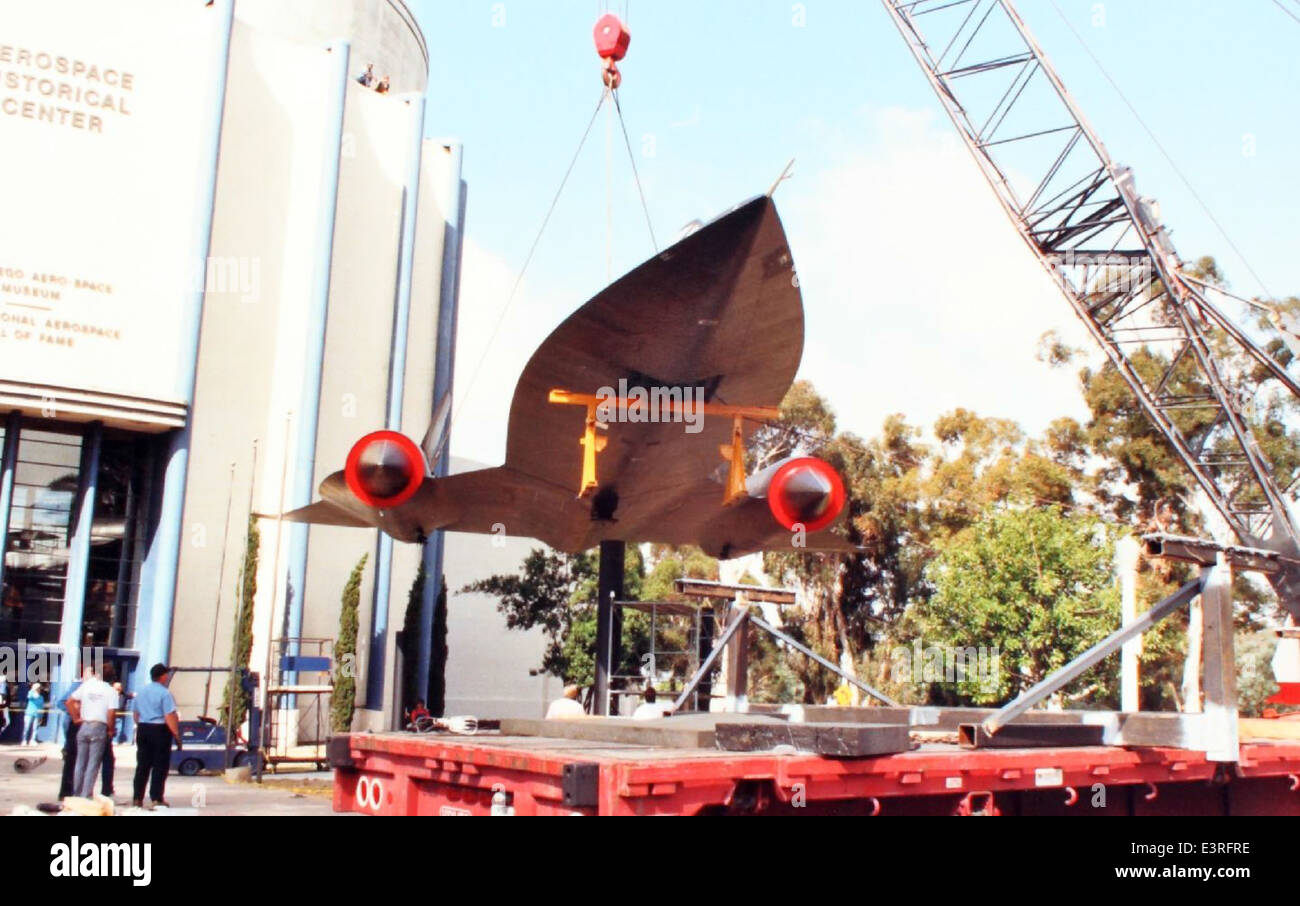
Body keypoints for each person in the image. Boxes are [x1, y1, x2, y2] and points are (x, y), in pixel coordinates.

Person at [132, 663, 182, 809]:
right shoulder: (165, 693)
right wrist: (176, 735)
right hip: (159, 730)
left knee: (142, 765)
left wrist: (142, 724)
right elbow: (169, 716)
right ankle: (156, 797)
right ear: (163, 676)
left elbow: (136, 714)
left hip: (143, 728)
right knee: (160, 765)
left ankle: (137, 798)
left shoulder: (141, 691)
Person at [67, 666, 119, 799]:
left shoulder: (87, 686)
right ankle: (86, 794)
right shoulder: (111, 691)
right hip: (99, 726)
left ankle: (77, 793)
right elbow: (111, 713)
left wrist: (76, 718)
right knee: (93, 763)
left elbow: (69, 702)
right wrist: (111, 729)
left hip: (84, 725)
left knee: (80, 762)